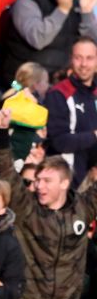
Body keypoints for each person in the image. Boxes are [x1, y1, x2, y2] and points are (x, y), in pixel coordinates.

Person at [0, 110, 97, 299]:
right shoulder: (27, 208)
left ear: (64, 183)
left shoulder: (82, 209)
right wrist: (1, 135)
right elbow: (6, 172)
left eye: (46, 181)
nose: (39, 186)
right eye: (38, 180)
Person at [42, 37, 97, 187]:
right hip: (68, 181)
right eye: (78, 58)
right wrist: (94, 136)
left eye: (89, 58)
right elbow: (59, 141)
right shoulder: (59, 94)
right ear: (71, 60)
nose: (84, 64)